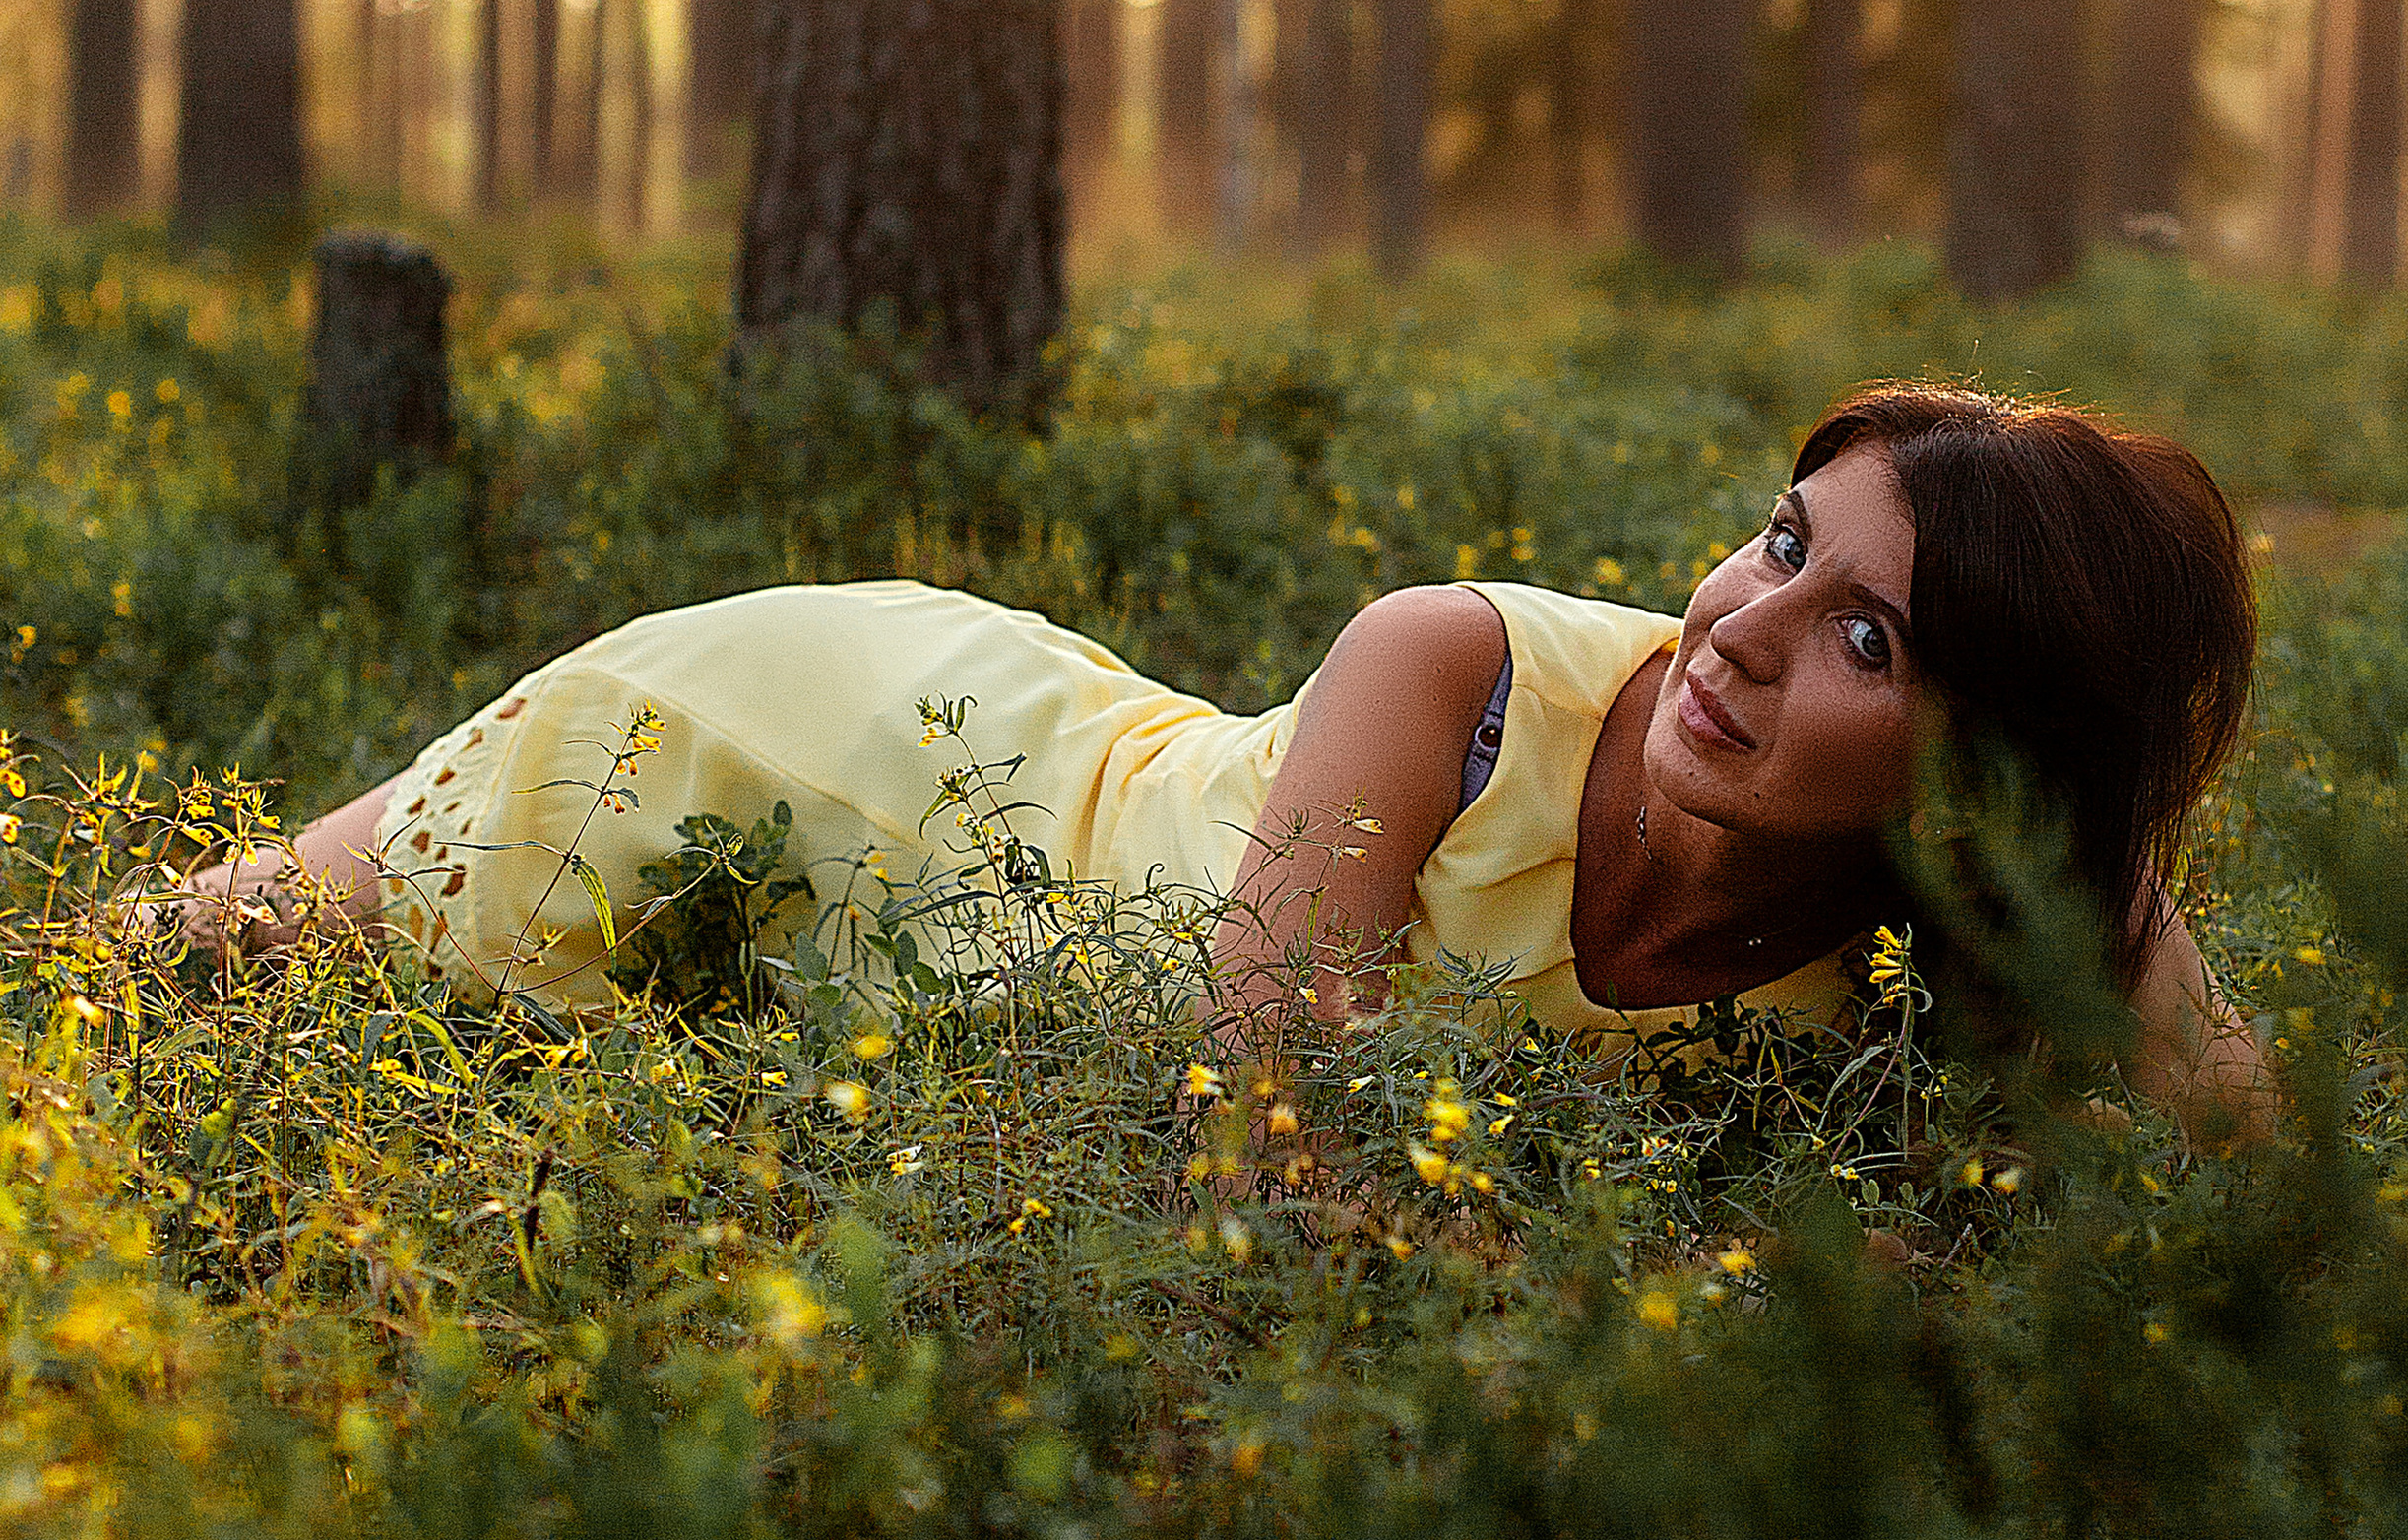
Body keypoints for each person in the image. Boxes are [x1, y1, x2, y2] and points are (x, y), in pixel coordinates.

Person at [159, 381, 2268, 1135]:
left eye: (1862, 637)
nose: (1740, 627)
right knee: (175, 971)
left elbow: (2270, 1195)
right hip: (830, 750)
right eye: (1781, 544)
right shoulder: (1442, 663)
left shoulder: (1994, 911)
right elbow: (1266, 1130)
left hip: (930, 946)